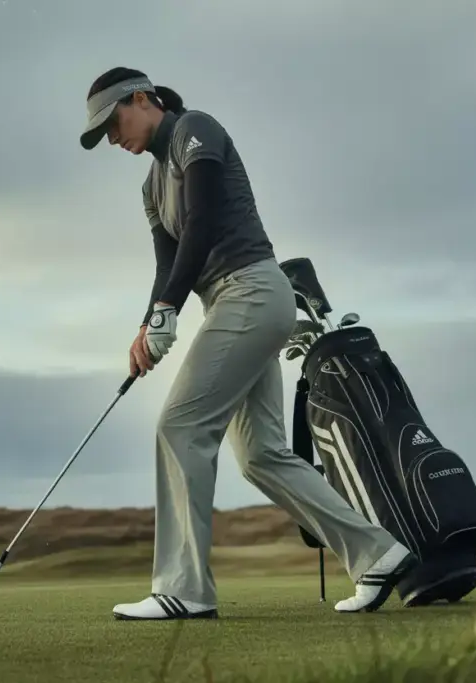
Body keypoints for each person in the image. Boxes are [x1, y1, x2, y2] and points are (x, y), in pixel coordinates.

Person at [79, 67, 417, 620]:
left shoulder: (195, 130)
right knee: (261, 454)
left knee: (181, 426)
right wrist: (148, 325)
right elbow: (169, 263)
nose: (113, 139)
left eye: (113, 123)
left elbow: (203, 220)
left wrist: (167, 311)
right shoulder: (150, 186)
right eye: (103, 135)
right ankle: (378, 554)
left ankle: (183, 588)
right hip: (232, 304)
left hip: (255, 290)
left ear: (141, 99)